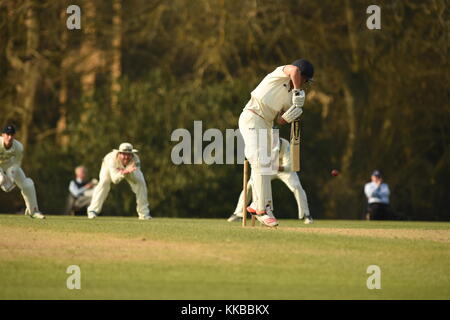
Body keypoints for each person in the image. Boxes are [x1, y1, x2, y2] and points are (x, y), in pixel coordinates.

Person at [238, 58, 314, 227]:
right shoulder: (280, 73)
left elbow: (280, 120)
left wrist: (292, 113)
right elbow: (294, 70)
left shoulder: (293, 97)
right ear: (301, 76)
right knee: (258, 160)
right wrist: (297, 92)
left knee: (263, 164)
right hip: (252, 115)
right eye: (306, 79)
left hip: (267, 123)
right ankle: (262, 210)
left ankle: (261, 207)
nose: (306, 84)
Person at [228, 137, 313, 224]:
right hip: (268, 170)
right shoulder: (262, 145)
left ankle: (306, 215)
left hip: (284, 170)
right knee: (249, 185)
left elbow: (288, 167)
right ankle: (238, 213)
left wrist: (274, 166)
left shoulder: (285, 144)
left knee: (296, 187)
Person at [87, 142, 152, 220]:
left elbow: (135, 181)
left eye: (129, 154)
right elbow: (115, 180)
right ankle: (92, 210)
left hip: (128, 170)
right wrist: (124, 172)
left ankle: (144, 214)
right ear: (119, 153)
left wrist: (127, 171)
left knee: (141, 183)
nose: (126, 157)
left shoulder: (136, 159)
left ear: (132, 154)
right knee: (104, 182)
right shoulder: (111, 159)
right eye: (124, 154)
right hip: (108, 167)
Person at [0, 125, 45, 219]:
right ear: (3, 135)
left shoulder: (18, 147)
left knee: (27, 184)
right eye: (7, 134)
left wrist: (10, 177)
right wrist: (2, 178)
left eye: (12, 135)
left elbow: (16, 165)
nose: (10, 137)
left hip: (9, 164)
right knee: (1, 179)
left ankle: (33, 211)